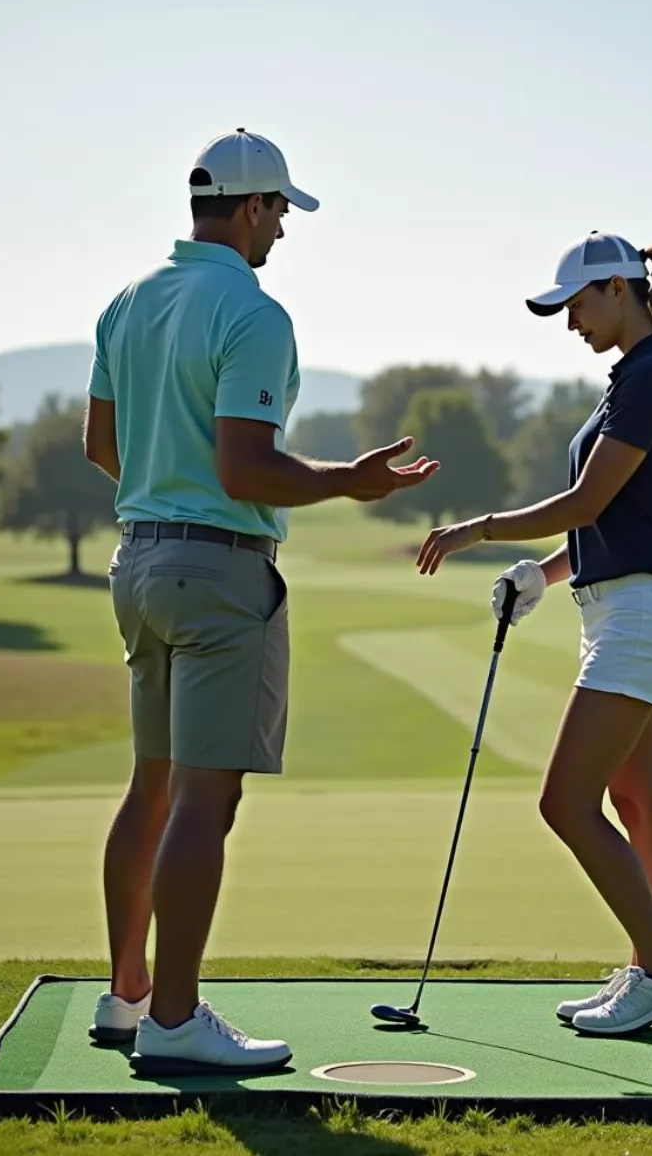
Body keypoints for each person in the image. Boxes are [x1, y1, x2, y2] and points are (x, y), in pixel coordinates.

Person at [82, 129, 438, 1073]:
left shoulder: (128, 301)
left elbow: (100, 445)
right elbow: (250, 467)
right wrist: (346, 483)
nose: (282, 229)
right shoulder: (254, 311)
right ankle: (176, 1019)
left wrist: (166, 491)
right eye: (279, 210)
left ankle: (126, 999)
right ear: (249, 208)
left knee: (150, 788)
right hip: (218, 575)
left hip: (139, 564)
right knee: (206, 798)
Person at [416, 231, 652, 1036]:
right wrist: (541, 577)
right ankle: (648, 968)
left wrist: (481, 530)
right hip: (628, 609)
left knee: (566, 802)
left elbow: (586, 501)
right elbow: (612, 518)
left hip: (639, 619)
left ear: (619, 290)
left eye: (576, 304)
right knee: (638, 800)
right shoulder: (640, 375)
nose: (570, 321)